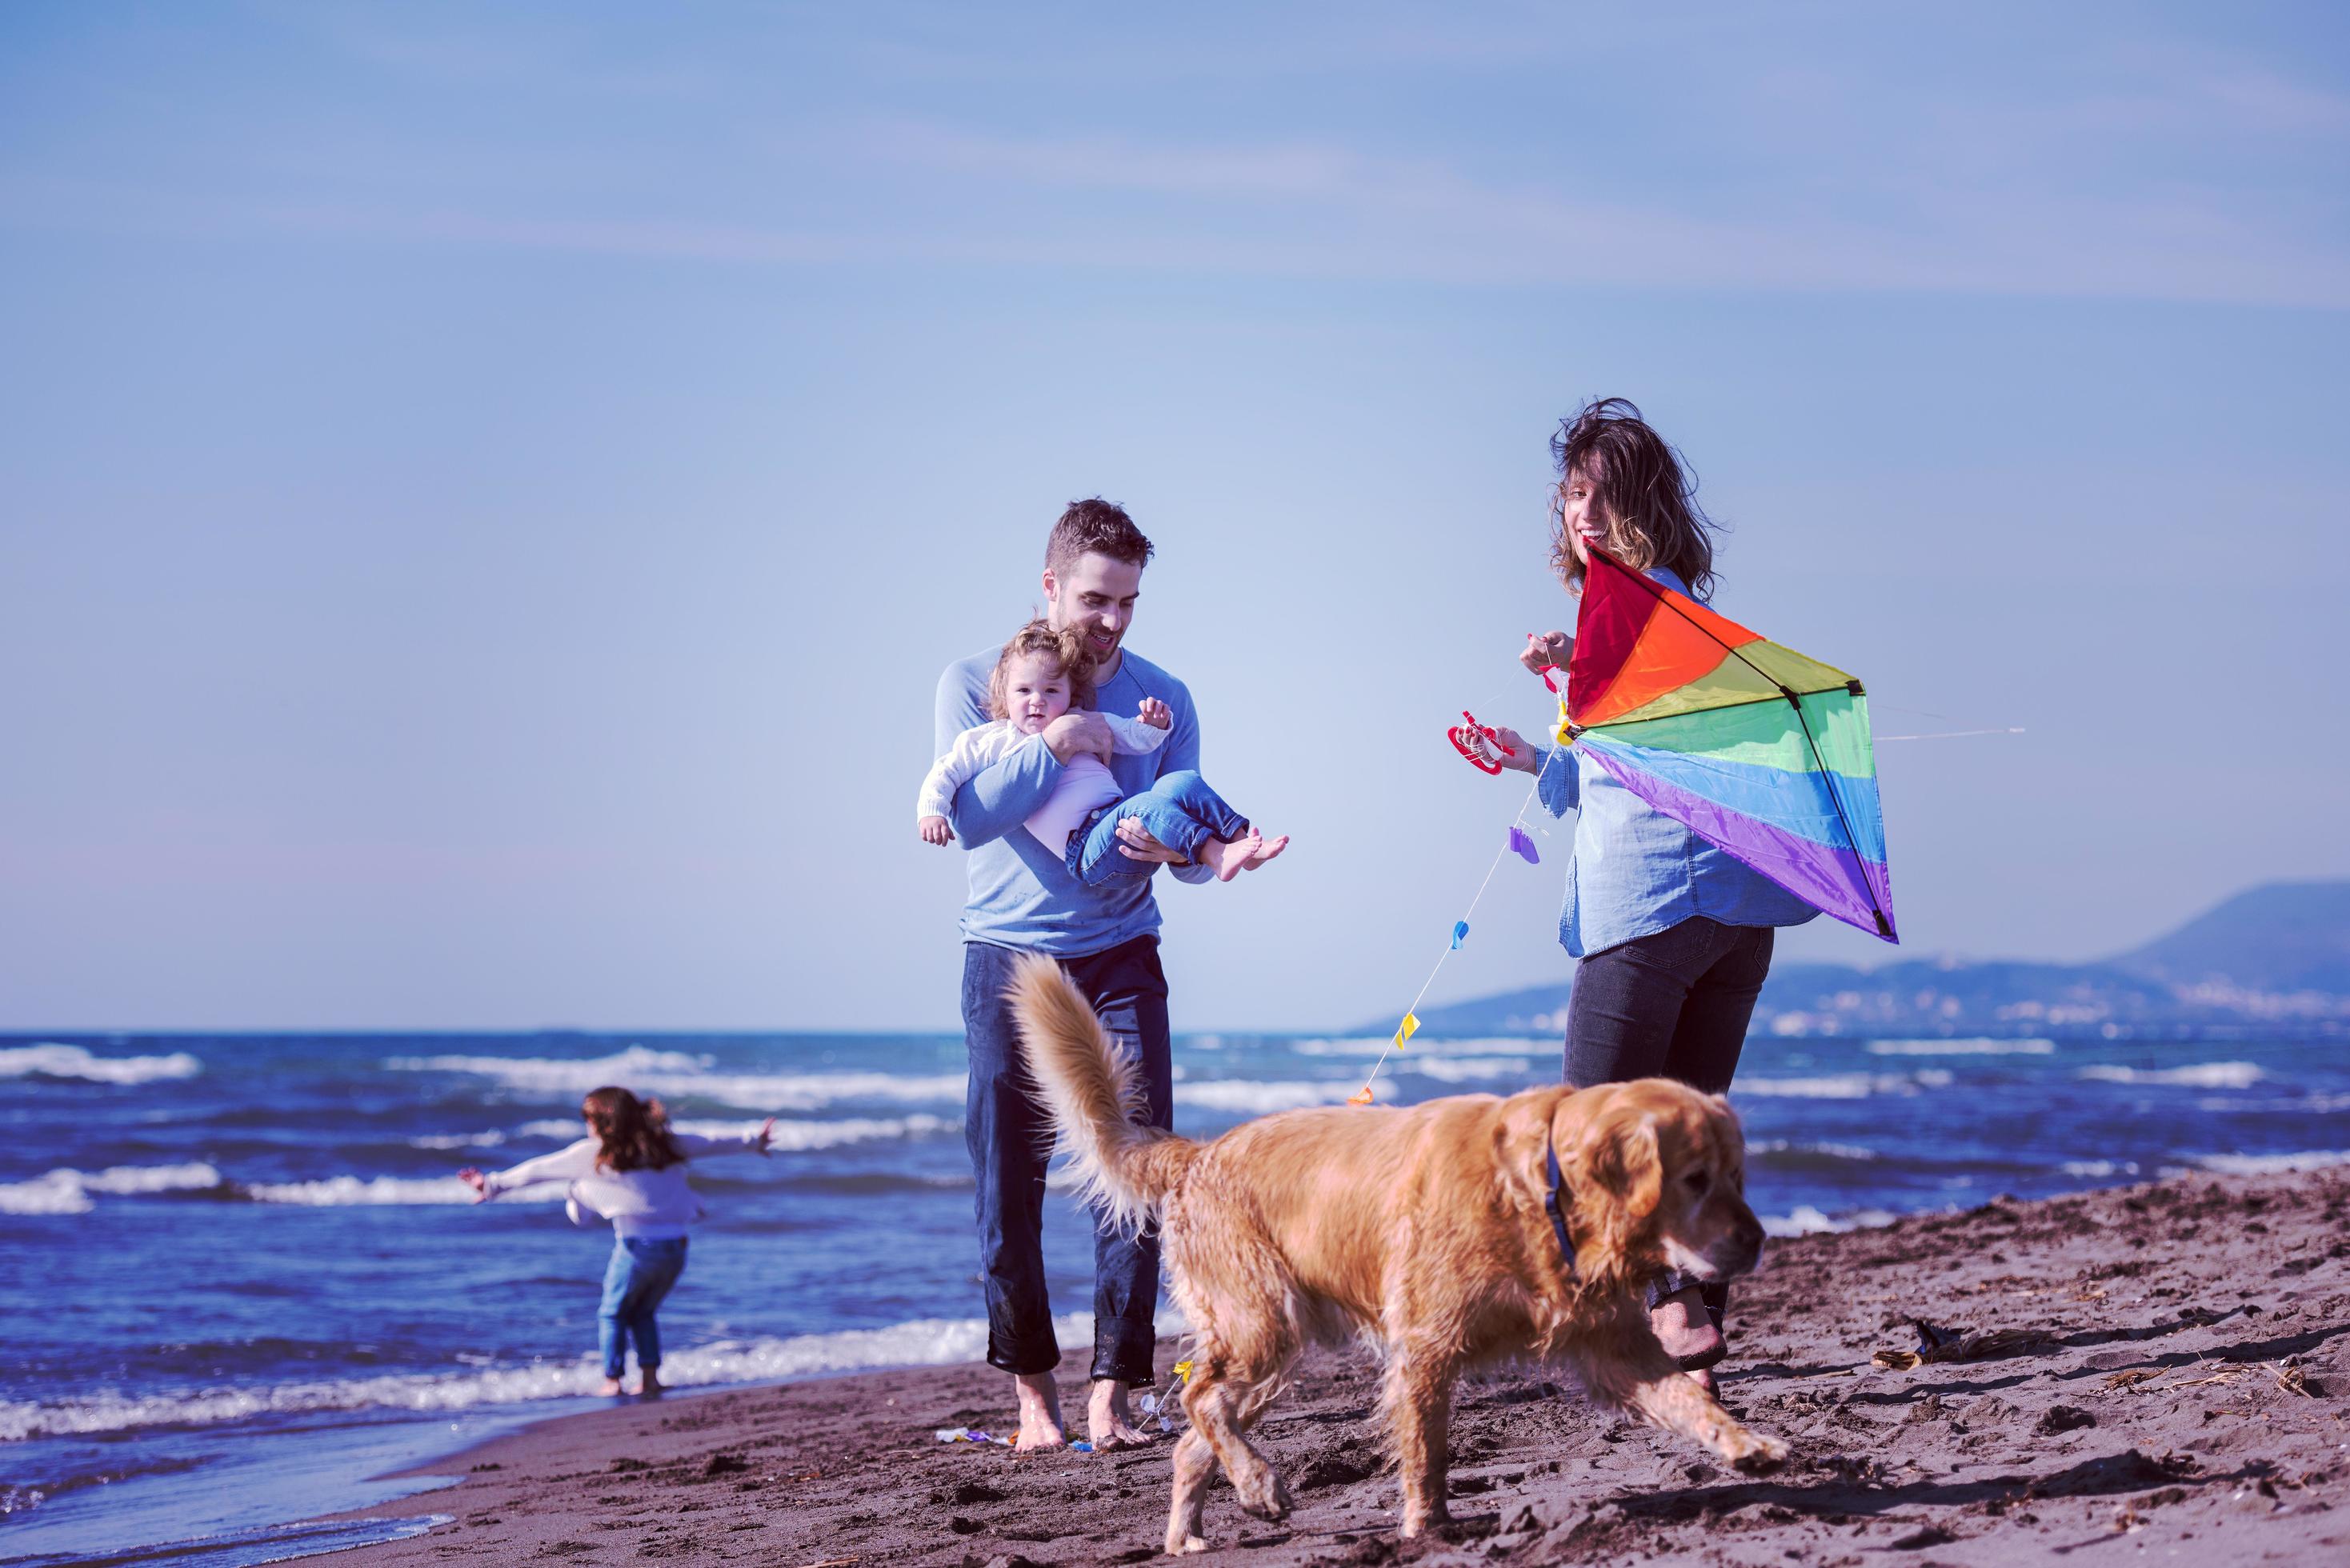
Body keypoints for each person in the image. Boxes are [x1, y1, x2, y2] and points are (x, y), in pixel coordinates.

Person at [1469, 398, 1819, 1390]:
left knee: (1589, 1134)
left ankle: (1666, 1303)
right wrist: (1532, 752)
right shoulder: (1680, 624)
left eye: (1602, 495)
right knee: (1693, 1135)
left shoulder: (1631, 611)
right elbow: (1632, 764)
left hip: (1654, 906)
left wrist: (1576, 663)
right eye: (1573, 495)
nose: (1582, 514)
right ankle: (1697, 1351)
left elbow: (1639, 729)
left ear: (1642, 506)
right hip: (1739, 920)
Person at [930, 498, 1217, 1451]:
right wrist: (1056, 741)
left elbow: (1168, 836)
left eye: (1129, 601)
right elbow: (970, 819)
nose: (1113, 621)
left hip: (1123, 948)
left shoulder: (1160, 696)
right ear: (1049, 585)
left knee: (1134, 1168)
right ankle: (1033, 1402)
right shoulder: (973, 682)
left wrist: (1167, 845)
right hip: (1006, 954)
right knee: (1008, 1178)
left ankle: (1114, 1395)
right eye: (1096, 598)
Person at [458, 1086, 776, 1397]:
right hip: (676, 1248)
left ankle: (613, 1381)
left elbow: (538, 1170)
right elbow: (712, 1143)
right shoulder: (665, 1144)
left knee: (612, 1314)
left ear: (604, 1123)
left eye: (589, 1120)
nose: (587, 1127)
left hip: (637, 1249)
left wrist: (491, 1185)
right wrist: (754, 1141)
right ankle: (650, 1379)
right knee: (643, 1312)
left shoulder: (593, 1152)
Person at [918, 619, 1286, 882]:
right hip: (1086, 849)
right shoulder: (994, 739)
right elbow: (947, 771)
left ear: (1069, 694)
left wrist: (1153, 726)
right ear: (1004, 695)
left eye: (1051, 691)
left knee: (1180, 782)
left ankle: (1240, 841)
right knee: (1147, 805)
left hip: (1120, 823)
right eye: (1023, 691)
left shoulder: (1085, 721)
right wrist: (931, 812)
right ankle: (1215, 855)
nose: (1036, 702)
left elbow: (1133, 738)